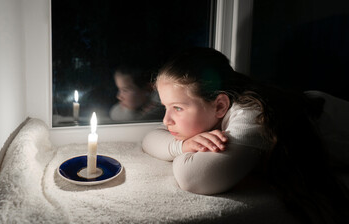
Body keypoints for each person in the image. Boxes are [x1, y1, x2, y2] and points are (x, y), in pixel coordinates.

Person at [142, 47, 349, 223]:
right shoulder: (221, 106)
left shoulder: (252, 113)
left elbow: (194, 178)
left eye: (177, 108)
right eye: (165, 107)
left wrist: (184, 148)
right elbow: (150, 138)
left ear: (220, 105)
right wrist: (183, 145)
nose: (166, 120)